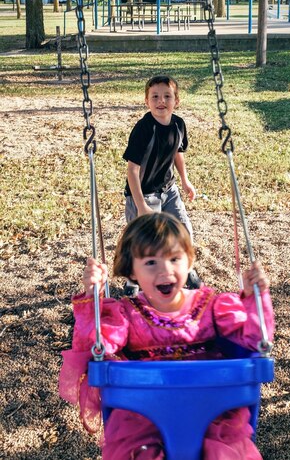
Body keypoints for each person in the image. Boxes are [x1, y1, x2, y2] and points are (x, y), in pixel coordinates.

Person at [59, 212, 275, 460]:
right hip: (145, 419)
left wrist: (254, 299)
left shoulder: (212, 306)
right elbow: (96, 346)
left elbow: (252, 341)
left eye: (174, 258)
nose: (165, 270)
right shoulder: (126, 314)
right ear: (131, 271)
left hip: (212, 413)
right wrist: (92, 295)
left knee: (224, 454)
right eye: (151, 262)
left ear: (189, 261)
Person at [123, 75, 199, 294]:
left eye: (167, 96)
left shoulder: (178, 124)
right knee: (143, 241)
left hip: (169, 190)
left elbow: (177, 152)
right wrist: (141, 206)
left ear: (176, 100)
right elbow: (132, 170)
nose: (161, 101)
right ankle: (132, 282)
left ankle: (187, 269)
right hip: (142, 194)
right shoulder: (143, 129)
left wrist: (185, 180)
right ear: (147, 101)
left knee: (183, 229)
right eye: (154, 96)